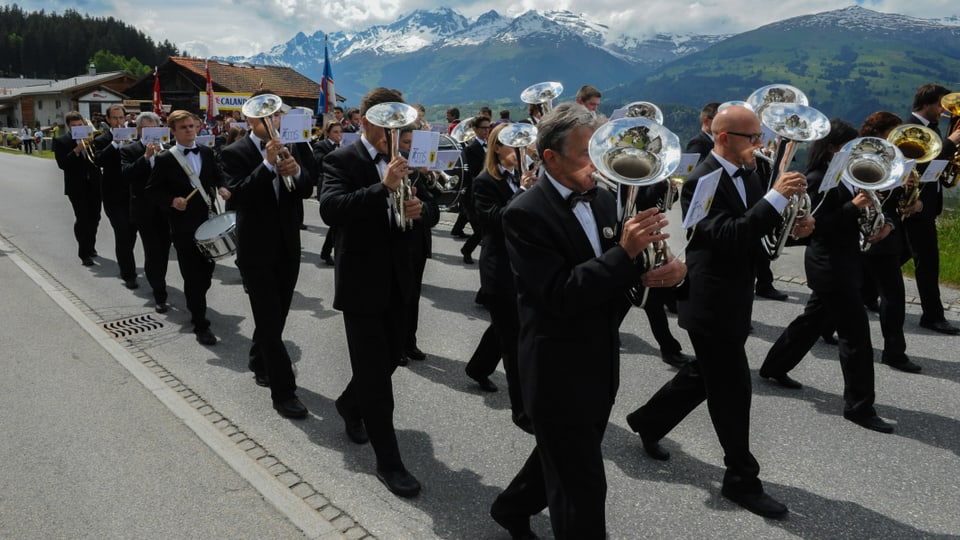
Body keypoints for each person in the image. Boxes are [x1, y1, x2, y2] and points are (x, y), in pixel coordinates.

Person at [491, 103, 686, 539]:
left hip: (600, 359)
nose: (599, 165)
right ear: (551, 159)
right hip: (555, 368)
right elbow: (560, 295)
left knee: (560, 458)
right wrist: (625, 253)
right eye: (586, 154)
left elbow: (620, 280)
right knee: (582, 488)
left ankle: (510, 506)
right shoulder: (523, 213)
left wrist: (668, 272)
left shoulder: (603, 197)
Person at [626, 105, 808, 520]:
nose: (760, 146)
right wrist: (777, 195)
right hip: (709, 301)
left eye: (760, 137)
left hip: (736, 294)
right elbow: (726, 235)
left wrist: (795, 229)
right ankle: (741, 478)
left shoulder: (751, 171)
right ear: (724, 137)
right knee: (732, 390)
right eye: (753, 138)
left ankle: (648, 421)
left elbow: (757, 232)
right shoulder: (699, 182)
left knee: (702, 375)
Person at [760, 118, 898, 434]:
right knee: (856, 336)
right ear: (835, 147)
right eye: (851, 147)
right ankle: (859, 407)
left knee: (812, 321)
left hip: (848, 263)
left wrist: (884, 223)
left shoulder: (851, 176)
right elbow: (812, 226)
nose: (857, 153)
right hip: (828, 265)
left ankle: (773, 366)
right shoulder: (820, 177)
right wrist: (853, 207)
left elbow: (877, 203)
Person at [319, 87, 424, 499]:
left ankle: (349, 402)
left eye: (401, 124)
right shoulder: (340, 159)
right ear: (365, 121)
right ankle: (389, 462)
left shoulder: (405, 158)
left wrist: (421, 209)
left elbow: (427, 206)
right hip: (362, 282)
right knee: (377, 379)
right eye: (387, 124)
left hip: (401, 277)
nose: (395, 131)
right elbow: (332, 210)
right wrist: (382, 187)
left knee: (390, 358)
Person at [220, 95, 314, 420]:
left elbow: (306, 188)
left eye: (277, 117)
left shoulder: (295, 146)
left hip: (288, 245)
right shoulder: (234, 153)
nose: (274, 124)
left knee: (276, 317)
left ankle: (259, 360)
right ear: (250, 122)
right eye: (266, 119)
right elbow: (238, 194)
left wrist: (296, 171)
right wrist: (266, 166)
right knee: (271, 323)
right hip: (255, 249)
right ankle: (284, 392)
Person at [463, 123, 537, 432]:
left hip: (524, 266)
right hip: (499, 269)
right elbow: (492, 222)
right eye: (512, 146)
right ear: (497, 149)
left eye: (522, 146)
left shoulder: (528, 177)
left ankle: (477, 368)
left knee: (505, 329)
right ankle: (523, 412)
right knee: (514, 341)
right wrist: (521, 192)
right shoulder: (485, 181)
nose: (519, 152)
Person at [145, 110, 230, 346]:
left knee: (206, 273)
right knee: (192, 277)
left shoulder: (205, 151)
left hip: (208, 222)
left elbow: (217, 174)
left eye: (192, 126)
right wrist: (172, 201)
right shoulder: (165, 159)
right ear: (173, 131)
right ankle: (200, 323)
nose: (190, 130)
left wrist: (223, 186)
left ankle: (197, 302)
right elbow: (152, 190)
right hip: (183, 227)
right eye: (184, 127)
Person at [860, 111, 922, 373]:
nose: (897, 140)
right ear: (881, 133)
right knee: (893, 297)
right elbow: (874, 196)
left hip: (884, 233)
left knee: (851, 289)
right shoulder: (868, 157)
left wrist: (912, 201)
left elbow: (893, 201)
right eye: (893, 133)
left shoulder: (888, 157)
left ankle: (825, 327)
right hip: (876, 233)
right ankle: (894, 353)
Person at [901, 83, 960, 335]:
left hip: (925, 206)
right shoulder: (910, 129)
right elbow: (918, 168)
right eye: (940, 106)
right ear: (926, 104)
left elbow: (935, 169)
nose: (943, 112)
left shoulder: (933, 129)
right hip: (913, 206)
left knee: (897, 254)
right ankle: (933, 316)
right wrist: (950, 143)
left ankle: (865, 292)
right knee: (928, 262)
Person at [397, 126, 441, 364]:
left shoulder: (419, 172)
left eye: (413, 144)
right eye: (405, 144)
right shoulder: (396, 169)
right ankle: (397, 345)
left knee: (413, 295)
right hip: (398, 242)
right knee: (400, 296)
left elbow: (434, 208)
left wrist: (423, 204)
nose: (410, 149)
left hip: (418, 241)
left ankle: (409, 341)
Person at [120, 112, 170, 313]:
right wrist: (146, 157)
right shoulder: (129, 150)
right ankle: (159, 292)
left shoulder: (169, 149)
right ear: (139, 130)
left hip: (166, 209)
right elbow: (126, 174)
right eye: (147, 129)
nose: (151, 133)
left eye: (154, 129)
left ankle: (160, 279)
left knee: (165, 250)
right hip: (144, 210)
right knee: (152, 251)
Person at [95, 104, 140, 290]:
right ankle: (129, 273)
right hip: (113, 194)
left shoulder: (133, 138)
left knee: (131, 233)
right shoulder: (101, 139)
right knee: (122, 233)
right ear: (108, 120)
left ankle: (125, 258)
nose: (119, 121)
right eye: (115, 118)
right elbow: (98, 160)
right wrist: (114, 144)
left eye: (121, 118)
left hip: (132, 194)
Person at [53, 111, 102, 266]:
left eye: (80, 125)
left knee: (95, 218)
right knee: (83, 219)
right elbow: (62, 164)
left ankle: (91, 246)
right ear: (69, 127)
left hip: (94, 184)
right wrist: (77, 150)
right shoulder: (61, 141)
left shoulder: (92, 138)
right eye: (74, 126)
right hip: (76, 187)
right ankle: (84, 252)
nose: (78, 128)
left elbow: (98, 159)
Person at [451, 116, 492, 265]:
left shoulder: (490, 146)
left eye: (488, 128)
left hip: (484, 193)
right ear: (475, 129)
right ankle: (468, 251)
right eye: (483, 128)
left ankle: (467, 250)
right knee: (481, 229)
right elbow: (469, 173)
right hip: (471, 194)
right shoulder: (469, 149)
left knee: (483, 229)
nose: (486, 131)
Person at [313, 120, 344, 266]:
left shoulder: (344, 146)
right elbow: (320, 162)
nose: (338, 135)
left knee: (337, 221)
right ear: (328, 133)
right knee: (335, 221)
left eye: (340, 132)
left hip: (342, 186)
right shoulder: (321, 146)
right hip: (326, 185)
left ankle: (326, 252)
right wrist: (338, 154)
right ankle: (328, 252)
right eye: (335, 132)